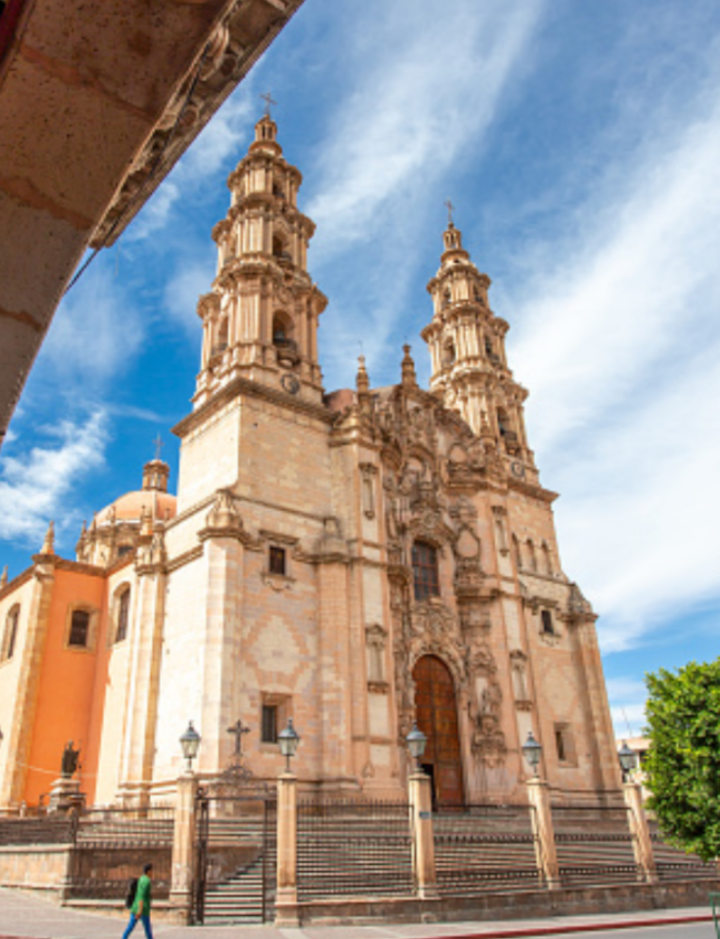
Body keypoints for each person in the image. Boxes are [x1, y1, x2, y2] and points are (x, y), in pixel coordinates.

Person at [122, 863, 153, 939]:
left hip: (135, 906)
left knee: (130, 927)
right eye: (151, 871)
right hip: (143, 909)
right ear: (148, 871)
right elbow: (142, 895)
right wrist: (140, 910)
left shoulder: (141, 878)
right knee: (148, 930)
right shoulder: (147, 881)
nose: (152, 873)